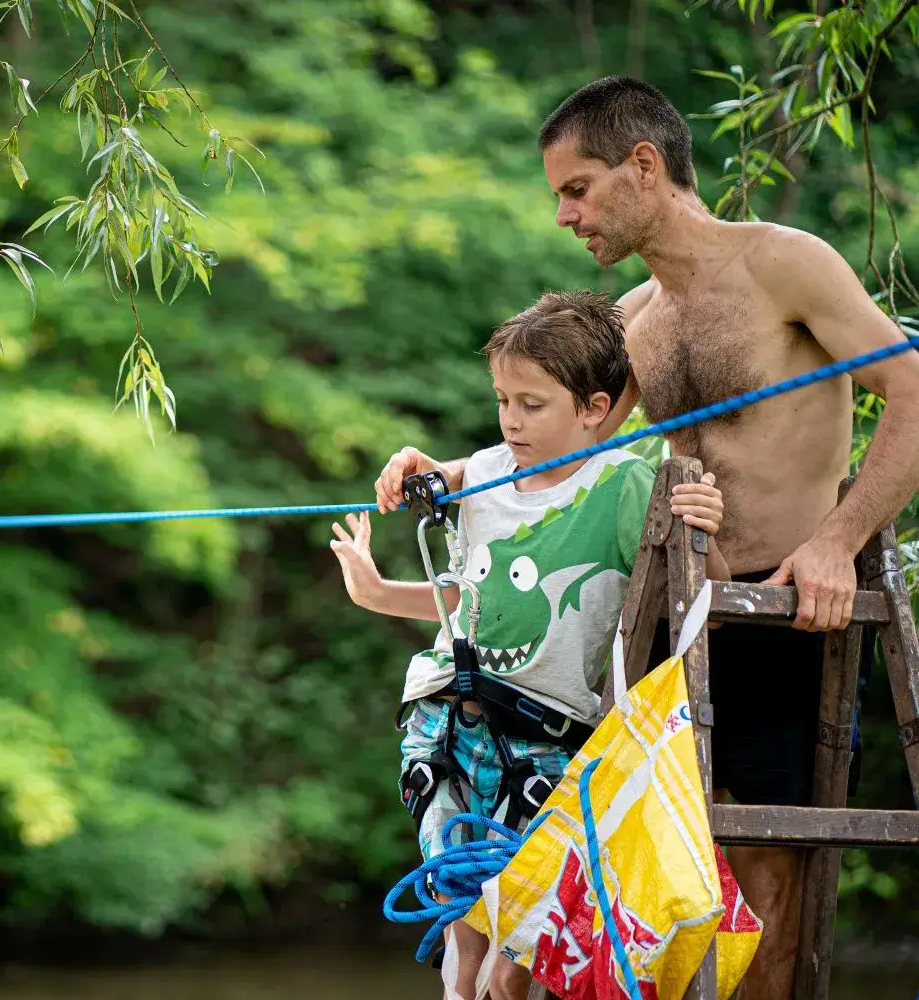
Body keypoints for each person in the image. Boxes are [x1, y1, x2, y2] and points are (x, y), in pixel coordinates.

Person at [373, 76, 919, 1000]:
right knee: (637, 864)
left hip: (782, 607)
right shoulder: (633, 320)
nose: (563, 215)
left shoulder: (787, 262)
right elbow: (553, 447)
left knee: (764, 864)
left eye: (576, 188)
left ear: (645, 165)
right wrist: (445, 473)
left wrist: (839, 538)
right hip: (662, 619)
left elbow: (911, 392)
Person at [334, 290, 727, 1000]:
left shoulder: (628, 486)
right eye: (502, 400)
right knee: (465, 930)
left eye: (532, 404)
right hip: (453, 728)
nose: (511, 420)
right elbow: (472, 597)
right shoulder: (485, 471)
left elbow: (704, 605)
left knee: (512, 963)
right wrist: (382, 580)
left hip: (554, 744)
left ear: (594, 408)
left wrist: (702, 527)